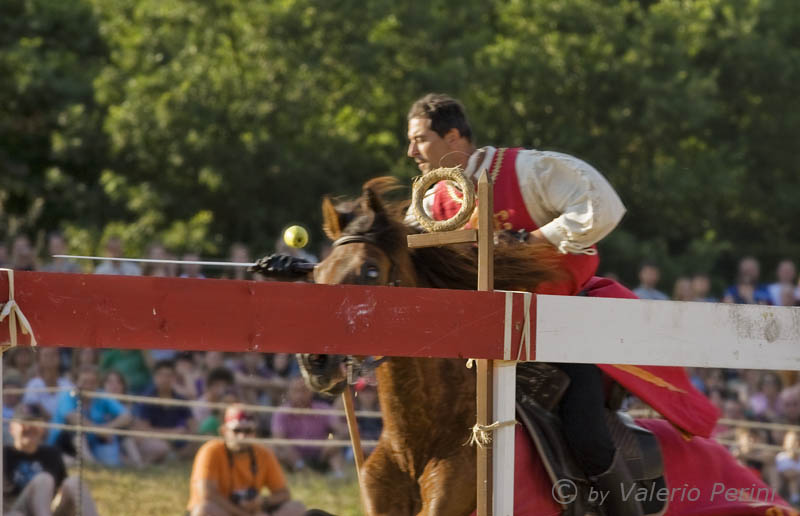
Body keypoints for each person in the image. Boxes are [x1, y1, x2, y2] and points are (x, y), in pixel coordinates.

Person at [186, 404, 305, 516]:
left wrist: (262, 501)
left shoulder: (264, 453)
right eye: (237, 430)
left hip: (252, 511)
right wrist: (244, 514)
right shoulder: (210, 450)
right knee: (204, 510)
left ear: (254, 433)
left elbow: (284, 494)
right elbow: (207, 495)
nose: (242, 436)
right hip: (224, 511)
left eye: (248, 431)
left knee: (296, 507)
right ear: (224, 431)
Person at [3, 404, 99, 516]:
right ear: (11, 428)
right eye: (24, 423)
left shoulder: (52, 454)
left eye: (36, 423)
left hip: (46, 509)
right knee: (43, 479)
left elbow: (60, 490)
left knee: (74, 482)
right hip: (14, 510)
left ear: (43, 429)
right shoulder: (4, 454)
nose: (30, 428)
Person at [47, 365, 133, 467]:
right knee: (76, 428)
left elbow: (127, 416)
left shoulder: (100, 395)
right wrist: (99, 431)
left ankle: (138, 463)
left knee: (123, 427)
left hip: (91, 443)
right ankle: (92, 465)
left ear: (97, 384)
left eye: (92, 382)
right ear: (76, 382)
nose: (88, 386)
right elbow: (72, 418)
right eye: (84, 382)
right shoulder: (68, 395)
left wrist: (107, 428)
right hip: (61, 446)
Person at [271, 378, 346, 477]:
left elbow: (342, 430)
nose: (300, 395)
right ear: (289, 393)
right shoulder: (281, 413)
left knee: (335, 449)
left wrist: (334, 440)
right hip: (293, 456)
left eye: (304, 390)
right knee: (276, 448)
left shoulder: (323, 409)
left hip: (320, 455)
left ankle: (339, 476)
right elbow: (279, 439)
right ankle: (300, 470)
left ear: (311, 392)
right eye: (296, 391)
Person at [134, 360, 196, 463]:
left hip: (177, 441)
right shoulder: (147, 399)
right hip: (153, 440)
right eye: (161, 375)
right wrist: (171, 433)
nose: (165, 379)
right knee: (161, 448)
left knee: (199, 444)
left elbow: (193, 425)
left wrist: (187, 434)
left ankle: (173, 457)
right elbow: (143, 430)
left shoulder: (180, 399)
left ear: (174, 378)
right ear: (155, 377)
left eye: (168, 375)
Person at [22, 347, 74, 419]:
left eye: (53, 354)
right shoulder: (33, 384)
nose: (50, 358)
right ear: (39, 360)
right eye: (46, 355)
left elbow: (73, 410)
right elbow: (29, 410)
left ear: (59, 358)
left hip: (65, 427)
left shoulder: (68, 384)